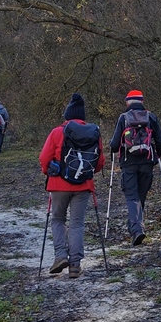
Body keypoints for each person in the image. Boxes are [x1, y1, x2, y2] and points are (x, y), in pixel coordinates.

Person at [39, 93, 106, 279]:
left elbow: (44, 158)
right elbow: (100, 162)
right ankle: (75, 266)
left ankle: (60, 256)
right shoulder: (93, 132)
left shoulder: (56, 132)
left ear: (67, 115)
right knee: (77, 224)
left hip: (58, 185)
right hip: (83, 186)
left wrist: (48, 172)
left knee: (58, 219)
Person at [109, 89, 161, 246]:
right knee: (140, 196)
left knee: (132, 197)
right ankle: (136, 227)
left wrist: (113, 147)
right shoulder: (151, 117)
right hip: (147, 163)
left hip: (128, 163)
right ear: (142, 101)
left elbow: (114, 145)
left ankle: (136, 230)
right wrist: (156, 155)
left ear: (128, 102)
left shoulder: (123, 118)